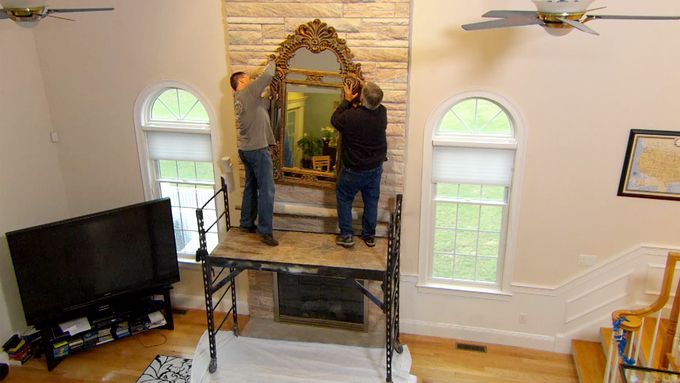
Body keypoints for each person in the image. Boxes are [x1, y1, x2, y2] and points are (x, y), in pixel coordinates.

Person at [330, 81, 387, 248]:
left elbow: (334, 120)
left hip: (353, 170)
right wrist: (367, 87)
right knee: (371, 201)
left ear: (361, 97)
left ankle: (347, 235)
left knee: (344, 198)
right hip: (375, 168)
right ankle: (369, 236)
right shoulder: (382, 112)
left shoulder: (351, 117)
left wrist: (346, 100)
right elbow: (374, 100)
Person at [230, 57, 279, 246]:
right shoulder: (247, 92)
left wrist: (271, 98)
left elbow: (263, 106)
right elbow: (267, 74)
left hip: (246, 149)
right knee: (267, 190)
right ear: (242, 82)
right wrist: (273, 61)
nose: (252, 80)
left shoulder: (241, 100)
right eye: (249, 78)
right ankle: (265, 231)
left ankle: (246, 223)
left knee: (251, 186)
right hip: (257, 150)